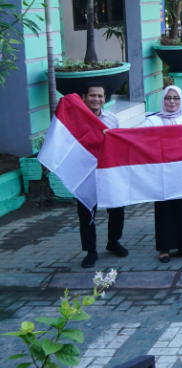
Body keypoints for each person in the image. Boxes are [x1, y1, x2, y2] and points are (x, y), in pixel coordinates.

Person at [141, 86, 182, 263]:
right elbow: (143, 142)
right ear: (163, 100)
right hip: (162, 175)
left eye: (176, 98)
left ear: (181, 100)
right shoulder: (151, 122)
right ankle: (164, 248)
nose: (171, 102)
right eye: (168, 98)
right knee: (165, 210)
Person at [76, 81, 125, 268]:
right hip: (84, 174)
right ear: (84, 98)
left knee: (117, 208)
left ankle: (113, 242)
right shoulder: (76, 120)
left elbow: (119, 145)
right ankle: (91, 251)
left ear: (105, 99)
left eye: (100, 96)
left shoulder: (112, 119)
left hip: (108, 172)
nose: (96, 99)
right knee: (86, 212)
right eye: (92, 95)